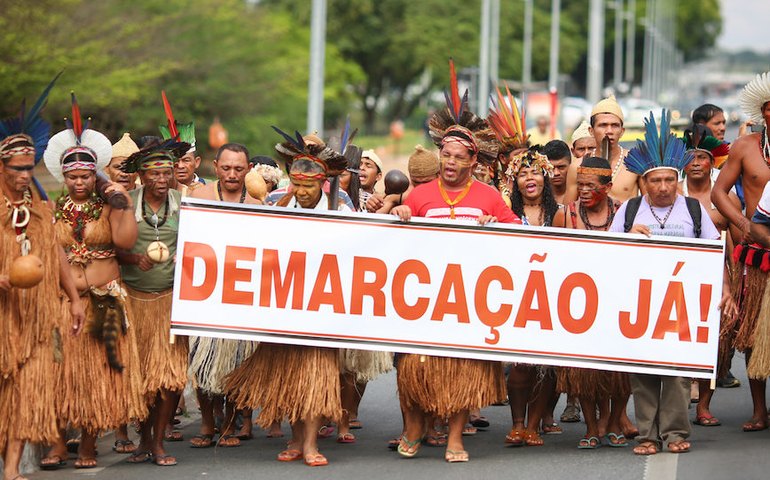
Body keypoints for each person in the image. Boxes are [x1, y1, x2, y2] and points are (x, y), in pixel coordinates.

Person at [391, 61, 517, 463]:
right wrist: (399, 215)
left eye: (459, 157)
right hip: (422, 294)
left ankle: (456, 438)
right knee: (413, 365)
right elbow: (393, 237)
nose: (450, 162)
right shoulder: (420, 194)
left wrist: (495, 224)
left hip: (469, 296)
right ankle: (413, 428)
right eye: (445, 154)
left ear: (472, 161)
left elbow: (518, 233)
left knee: (464, 368)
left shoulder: (490, 196)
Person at [224, 127, 350, 467]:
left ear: (323, 184)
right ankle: (296, 439)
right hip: (283, 308)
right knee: (290, 380)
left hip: (322, 309)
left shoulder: (342, 211)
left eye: (310, 188)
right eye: (298, 186)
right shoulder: (275, 205)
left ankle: (310, 444)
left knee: (314, 379)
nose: (303, 193)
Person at [610, 109, 733, 455]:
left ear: (676, 180)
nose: (662, 187)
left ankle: (676, 433)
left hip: (682, 304)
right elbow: (605, 253)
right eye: (655, 181)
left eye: (668, 180)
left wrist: (725, 290)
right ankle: (647, 435)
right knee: (644, 372)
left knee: (678, 374)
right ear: (644, 182)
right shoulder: (629, 211)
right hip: (640, 303)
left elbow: (716, 252)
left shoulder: (693, 210)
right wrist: (627, 236)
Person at [41, 98, 146, 469]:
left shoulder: (110, 205)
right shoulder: (50, 211)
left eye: (86, 175)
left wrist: (122, 201)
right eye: (73, 176)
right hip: (62, 303)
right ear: (63, 177)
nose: (79, 181)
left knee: (96, 378)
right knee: (58, 373)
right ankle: (55, 445)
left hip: (104, 301)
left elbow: (126, 243)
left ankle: (87, 446)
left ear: (94, 175)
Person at [0, 80, 85, 480]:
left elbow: (57, 256)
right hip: (3, 315)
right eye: (18, 168)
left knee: (27, 390)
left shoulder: (42, 210)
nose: (25, 174)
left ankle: (14, 469)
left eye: (29, 167)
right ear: (2, 167)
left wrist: (75, 299)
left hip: (35, 314)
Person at [117, 139, 191, 466]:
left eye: (167, 172)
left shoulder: (185, 202)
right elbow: (107, 246)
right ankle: (143, 439)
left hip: (171, 303)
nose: (162, 180)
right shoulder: (125, 203)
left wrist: (185, 256)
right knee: (141, 377)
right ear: (141, 177)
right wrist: (133, 259)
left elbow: (203, 245)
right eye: (154, 174)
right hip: (134, 302)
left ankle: (159, 442)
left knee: (170, 378)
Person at [558, 156, 629, 449]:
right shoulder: (566, 215)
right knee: (583, 371)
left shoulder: (626, 212)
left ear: (608, 186)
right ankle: (590, 426)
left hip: (616, 301)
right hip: (579, 303)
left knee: (620, 371)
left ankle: (613, 422)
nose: (584, 190)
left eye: (591, 186)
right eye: (581, 184)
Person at [713, 72, 770, 432]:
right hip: (757, 253)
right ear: (765, 112)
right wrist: (745, 224)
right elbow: (720, 192)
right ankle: (759, 409)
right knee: (753, 334)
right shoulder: (746, 147)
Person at [680, 126, 741, 424]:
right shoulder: (671, 190)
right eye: (690, 156)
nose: (695, 162)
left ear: (712, 162)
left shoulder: (724, 195)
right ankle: (676, 404)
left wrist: (734, 282)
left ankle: (704, 404)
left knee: (715, 344)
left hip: (717, 277)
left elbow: (736, 241)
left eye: (701, 157)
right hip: (677, 277)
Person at [589, 95, 639, 202]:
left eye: (615, 125)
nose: (609, 131)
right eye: (603, 125)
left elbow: (649, 207)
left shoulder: (636, 162)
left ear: (622, 131)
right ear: (591, 131)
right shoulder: (578, 166)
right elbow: (569, 212)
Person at [159, 91, 205, 194]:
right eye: (175, 161)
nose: (180, 166)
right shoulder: (159, 190)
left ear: (197, 162)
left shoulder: (209, 188)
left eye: (186, 160)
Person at [542, 140, 572, 206]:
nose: (556, 173)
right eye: (551, 168)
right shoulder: (537, 197)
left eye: (561, 167)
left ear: (570, 165)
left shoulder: (581, 195)